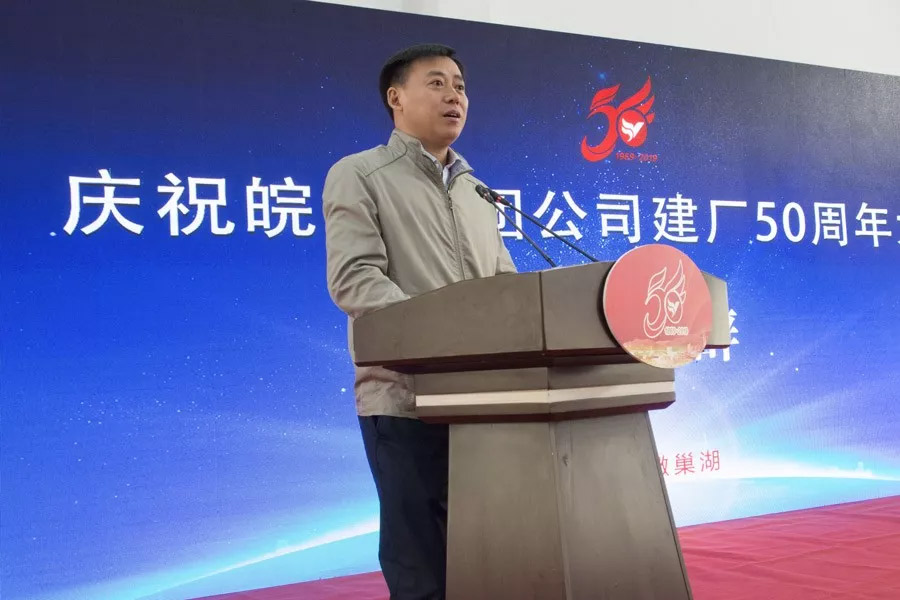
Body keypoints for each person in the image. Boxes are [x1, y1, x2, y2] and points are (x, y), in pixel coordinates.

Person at [322, 43, 517, 599]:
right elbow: (354, 279)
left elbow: (507, 290)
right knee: (422, 571)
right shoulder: (360, 174)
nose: (454, 95)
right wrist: (447, 334)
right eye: (436, 83)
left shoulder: (478, 191)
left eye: (460, 85)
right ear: (396, 97)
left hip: (486, 404)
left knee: (486, 563)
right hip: (406, 400)